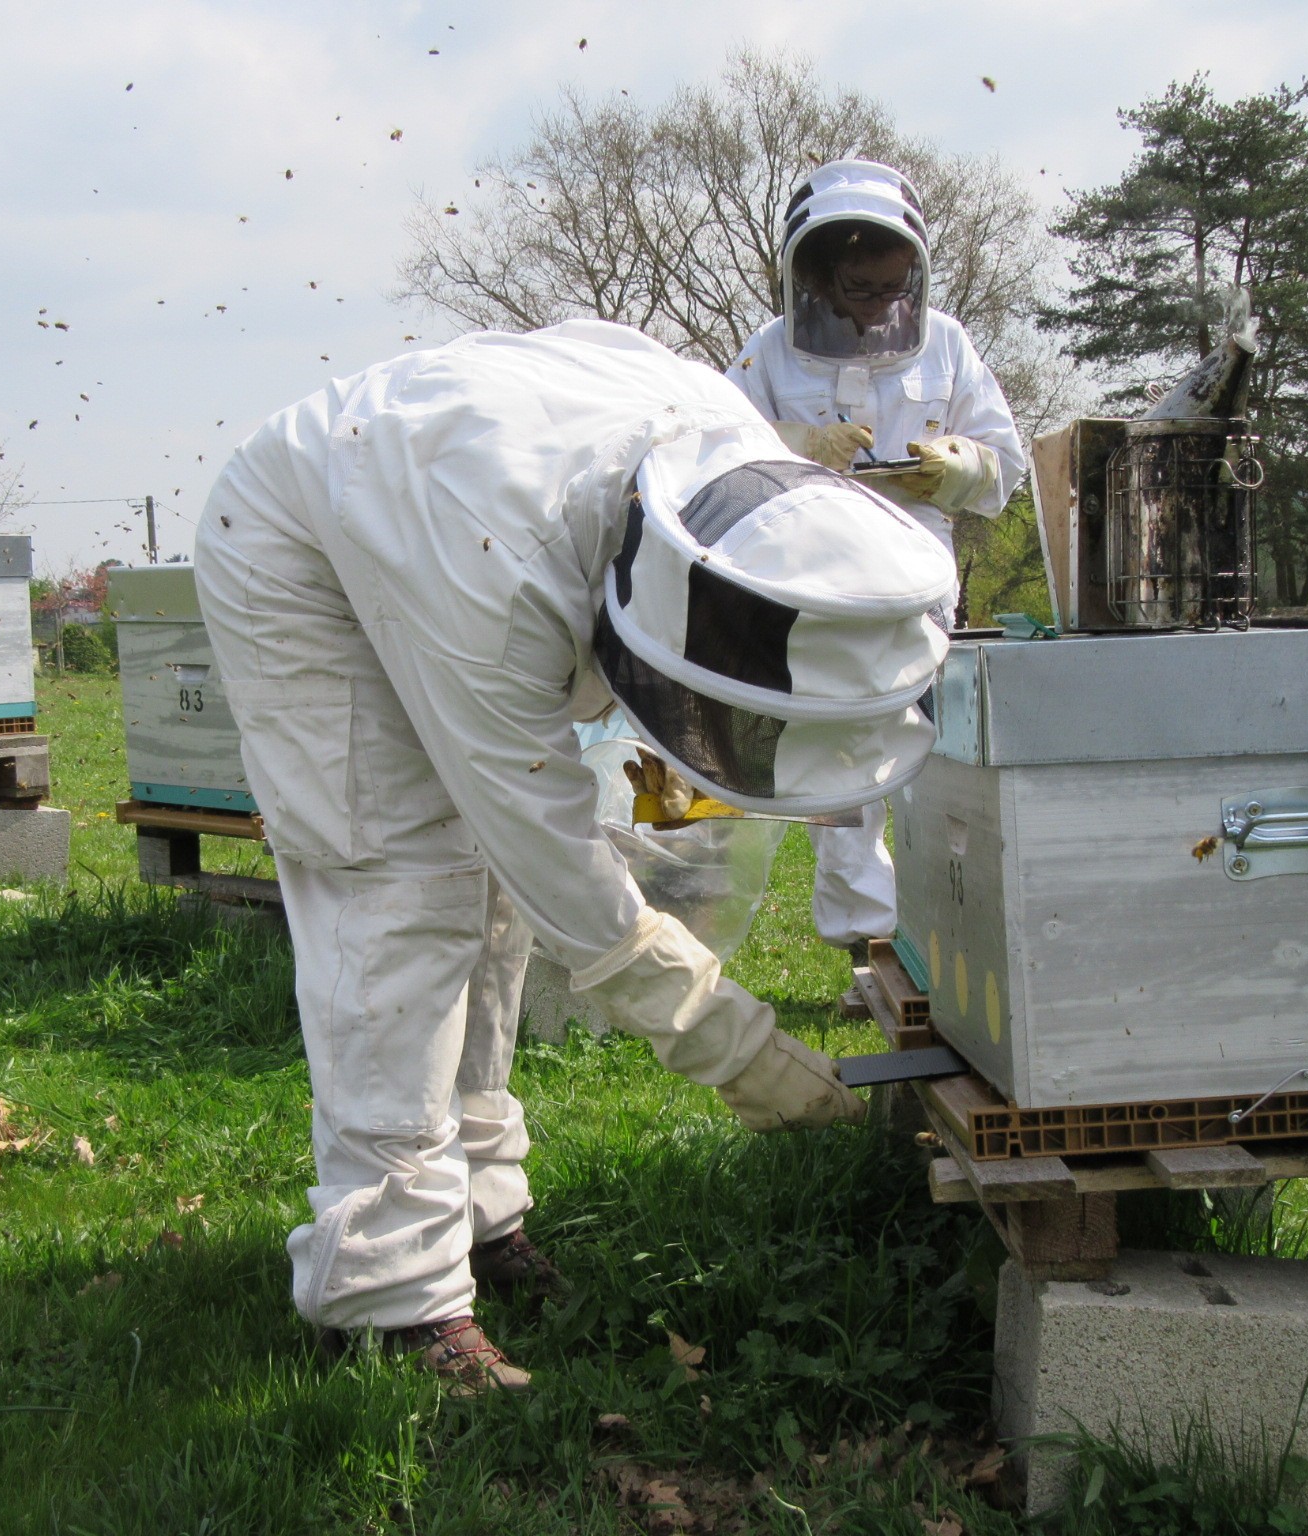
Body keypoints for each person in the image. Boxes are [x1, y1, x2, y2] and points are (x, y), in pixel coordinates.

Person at [194, 319, 956, 1392]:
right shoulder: (501, 573)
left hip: (441, 506)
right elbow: (547, 843)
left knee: (494, 908)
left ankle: (472, 1218)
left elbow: (531, 853)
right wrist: (719, 1038)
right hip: (303, 544)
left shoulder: (727, 463)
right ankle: (385, 1298)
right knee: (400, 889)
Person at [727, 159, 1027, 1004]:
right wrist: (788, 444)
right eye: (859, 288)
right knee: (846, 777)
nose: (875, 305)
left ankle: (947, 941)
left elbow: (1004, 466)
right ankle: (867, 961)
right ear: (815, 274)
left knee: (938, 768)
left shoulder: (950, 344)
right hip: (814, 591)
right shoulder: (766, 353)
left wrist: (961, 469)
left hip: (917, 588)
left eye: (892, 287)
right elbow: (705, 456)